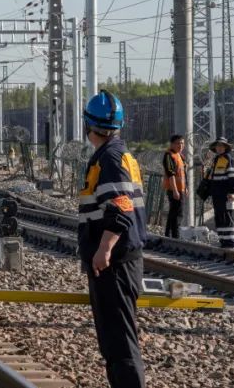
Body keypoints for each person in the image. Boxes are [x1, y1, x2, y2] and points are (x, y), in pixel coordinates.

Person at [78, 90, 148, 388]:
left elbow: (120, 206)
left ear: (88, 124)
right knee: (114, 342)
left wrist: (104, 249)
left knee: (120, 344)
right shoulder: (119, 154)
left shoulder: (109, 158)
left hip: (115, 263)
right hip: (119, 261)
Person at [205, 137, 234, 248]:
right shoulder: (215, 160)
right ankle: (223, 240)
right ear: (215, 148)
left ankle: (230, 242)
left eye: (221, 146)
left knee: (226, 217)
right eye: (218, 146)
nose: (219, 148)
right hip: (216, 194)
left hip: (225, 194)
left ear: (225, 147)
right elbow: (211, 176)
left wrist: (231, 192)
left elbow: (232, 178)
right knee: (219, 216)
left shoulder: (228, 160)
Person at [162, 134, 186, 239]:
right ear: (172, 144)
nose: (180, 145)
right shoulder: (169, 155)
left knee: (173, 212)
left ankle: (168, 234)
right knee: (177, 213)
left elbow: (183, 173)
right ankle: (175, 236)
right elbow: (170, 174)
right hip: (173, 189)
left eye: (182, 143)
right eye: (178, 143)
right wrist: (175, 190)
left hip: (180, 189)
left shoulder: (180, 156)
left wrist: (185, 187)